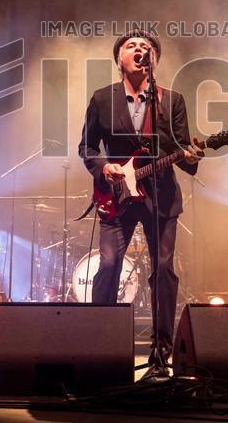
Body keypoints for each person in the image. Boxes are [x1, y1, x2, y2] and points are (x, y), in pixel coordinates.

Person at [78, 30, 204, 380]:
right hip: (116, 196)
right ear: (119, 60)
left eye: (146, 47)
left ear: (154, 61)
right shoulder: (102, 98)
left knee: (163, 269)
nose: (139, 50)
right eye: (131, 46)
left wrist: (191, 156)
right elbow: (87, 147)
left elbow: (182, 149)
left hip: (160, 196)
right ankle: (101, 349)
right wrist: (105, 167)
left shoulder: (170, 100)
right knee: (108, 263)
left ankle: (161, 353)